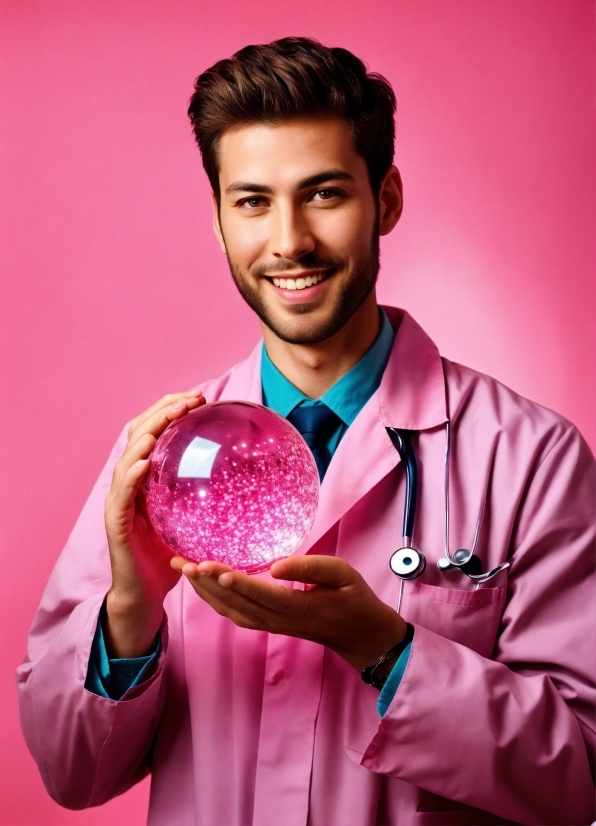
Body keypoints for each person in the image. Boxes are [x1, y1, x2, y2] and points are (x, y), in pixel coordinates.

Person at [17, 37, 595, 826]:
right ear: (219, 220)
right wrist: (130, 607)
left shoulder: (532, 459)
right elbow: (69, 771)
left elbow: (583, 773)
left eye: (323, 193)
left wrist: (387, 651)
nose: (288, 240)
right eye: (252, 201)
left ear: (385, 199)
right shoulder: (157, 464)